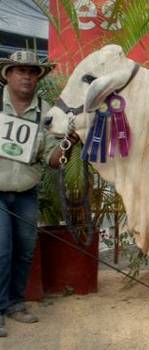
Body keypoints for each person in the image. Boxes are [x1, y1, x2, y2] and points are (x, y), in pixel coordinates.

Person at [0, 50, 79, 337]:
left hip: (25, 193)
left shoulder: (46, 113)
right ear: (7, 75)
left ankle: (14, 304)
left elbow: (53, 160)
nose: (27, 76)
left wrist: (68, 143)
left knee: (23, 252)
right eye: (20, 70)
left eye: (32, 72)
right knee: (1, 250)